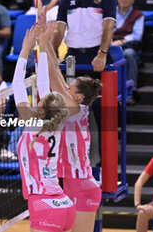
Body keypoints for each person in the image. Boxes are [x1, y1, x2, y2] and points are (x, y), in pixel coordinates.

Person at [13, 25, 75, 232]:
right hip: (64, 205)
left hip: (43, 203)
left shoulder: (33, 123)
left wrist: (25, 50)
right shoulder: (57, 123)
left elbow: (18, 85)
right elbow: (43, 83)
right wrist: (40, 46)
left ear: (41, 108)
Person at [46, 15, 103, 232]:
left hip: (81, 185)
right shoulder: (76, 107)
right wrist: (48, 44)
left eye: (71, 89)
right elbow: (58, 79)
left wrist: (45, 44)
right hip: (74, 183)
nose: (67, 89)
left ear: (77, 97)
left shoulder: (75, 110)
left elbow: (53, 80)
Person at [52, 0, 116, 73]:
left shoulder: (107, 0)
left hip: (96, 53)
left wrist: (102, 54)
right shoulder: (65, 1)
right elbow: (59, 30)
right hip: (72, 55)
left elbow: (109, 27)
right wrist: (52, 54)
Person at [112, 0, 144, 100]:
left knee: (129, 54)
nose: (124, 0)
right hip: (109, 44)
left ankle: (131, 90)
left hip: (127, 45)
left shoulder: (138, 15)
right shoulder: (110, 12)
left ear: (133, 0)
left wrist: (121, 42)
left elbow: (137, 36)